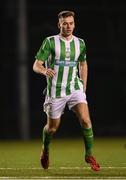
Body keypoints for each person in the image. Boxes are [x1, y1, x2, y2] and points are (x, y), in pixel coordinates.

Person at [33, 10, 100, 171]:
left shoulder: (80, 43)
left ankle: (89, 154)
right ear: (59, 24)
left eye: (71, 23)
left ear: (74, 24)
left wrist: (83, 87)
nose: (68, 26)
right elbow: (36, 64)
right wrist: (44, 71)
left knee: (85, 120)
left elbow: (83, 64)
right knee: (52, 128)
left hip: (74, 88)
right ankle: (46, 150)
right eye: (65, 23)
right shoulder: (50, 42)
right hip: (55, 91)